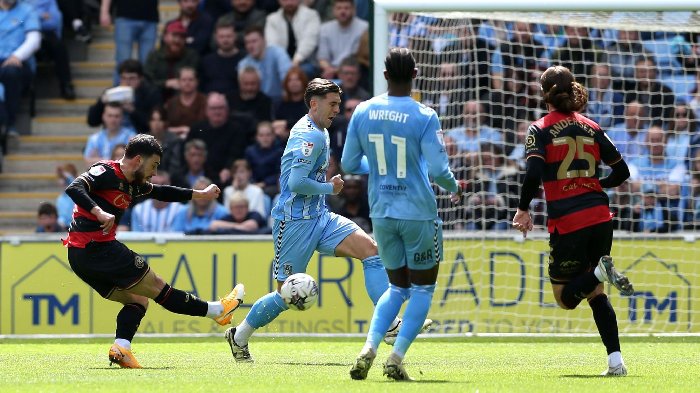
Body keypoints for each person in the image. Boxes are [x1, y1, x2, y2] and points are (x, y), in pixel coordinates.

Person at [224, 78, 430, 362]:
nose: (337, 109)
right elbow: (296, 183)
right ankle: (239, 336)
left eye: (338, 104)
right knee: (285, 294)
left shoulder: (320, 130)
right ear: (314, 103)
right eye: (332, 104)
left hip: (320, 216)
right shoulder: (309, 136)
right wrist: (329, 188)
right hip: (294, 222)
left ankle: (391, 325)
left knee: (371, 251)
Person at [63, 134, 244, 368]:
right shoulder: (106, 172)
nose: (155, 172)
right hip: (96, 248)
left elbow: (162, 191)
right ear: (138, 160)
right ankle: (217, 311)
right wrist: (98, 212)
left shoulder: (133, 184)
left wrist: (200, 194)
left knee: (138, 300)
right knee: (158, 287)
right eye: (154, 165)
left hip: (81, 256)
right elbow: (74, 187)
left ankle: (121, 348)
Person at [343, 48, 461, 381]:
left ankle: (368, 348)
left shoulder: (363, 111)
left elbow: (350, 164)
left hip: (381, 212)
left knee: (396, 288)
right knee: (421, 290)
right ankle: (395, 357)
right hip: (418, 213)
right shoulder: (424, 115)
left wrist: (384, 169)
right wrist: (455, 187)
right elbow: (439, 171)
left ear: (384, 75)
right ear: (415, 74)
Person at [511, 65, 635, 377]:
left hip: (569, 222)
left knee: (565, 299)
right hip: (600, 217)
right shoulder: (592, 127)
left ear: (544, 95)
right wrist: (594, 184)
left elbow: (534, 172)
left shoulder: (539, 129)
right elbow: (622, 172)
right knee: (596, 292)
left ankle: (599, 270)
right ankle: (616, 362)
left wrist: (523, 208)